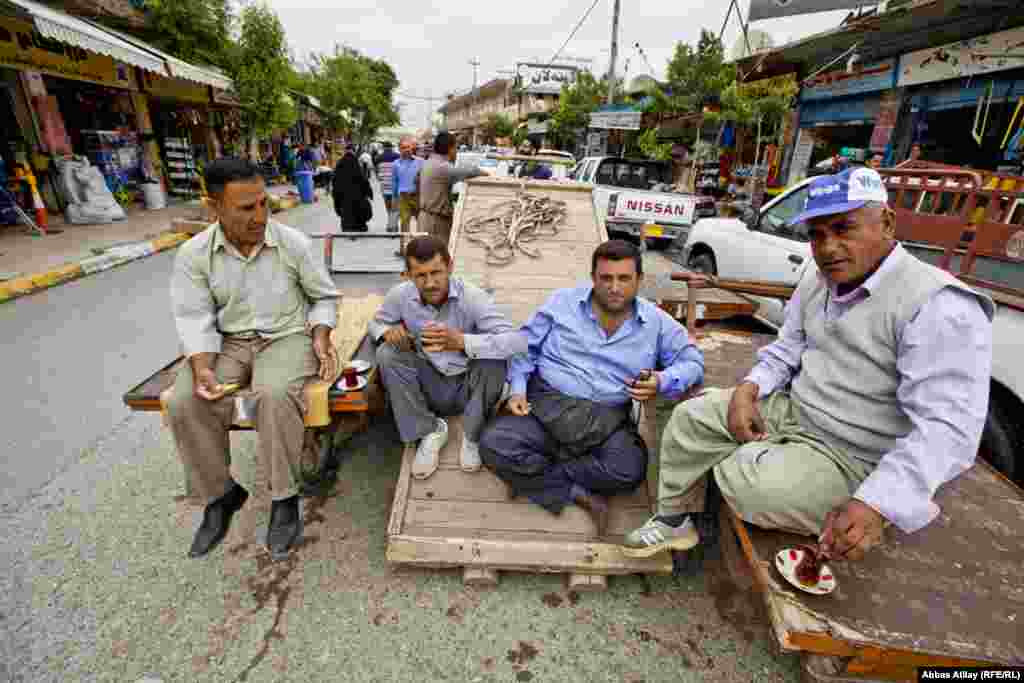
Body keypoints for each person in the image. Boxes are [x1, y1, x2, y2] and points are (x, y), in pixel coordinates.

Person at [622, 167, 993, 561]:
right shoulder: (818, 280)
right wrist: (749, 390)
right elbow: (787, 347)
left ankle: (822, 492)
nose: (828, 247)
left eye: (844, 228)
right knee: (689, 419)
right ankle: (676, 520)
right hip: (796, 411)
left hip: (856, 453)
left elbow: (947, 430)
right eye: (817, 234)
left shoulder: (937, 304)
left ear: (886, 222)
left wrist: (877, 503)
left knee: (748, 481)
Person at [167, 158, 341, 560]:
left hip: (286, 337)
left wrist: (320, 334)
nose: (260, 216)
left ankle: (284, 497)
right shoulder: (194, 254)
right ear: (214, 207)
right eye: (246, 208)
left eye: (264, 203)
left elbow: (324, 298)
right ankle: (221, 495)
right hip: (228, 342)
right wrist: (202, 367)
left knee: (274, 394)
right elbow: (194, 317)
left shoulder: (292, 244)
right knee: (185, 400)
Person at [479, 241, 705, 535]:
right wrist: (518, 390)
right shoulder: (562, 303)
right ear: (593, 278)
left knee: (629, 469)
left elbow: (692, 361)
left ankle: (534, 476)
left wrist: (662, 380)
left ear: (639, 280)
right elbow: (525, 346)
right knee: (494, 444)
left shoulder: (657, 323)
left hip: (605, 419)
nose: (614, 287)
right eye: (606, 278)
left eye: (624, 279)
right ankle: (576, 492)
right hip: (546, 406)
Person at [370, 236, 526, 478]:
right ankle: (430, 430)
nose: (430, 283)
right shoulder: (399, 296)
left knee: (494, 357)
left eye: (436, 273)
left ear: (450, 267)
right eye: (420, 276)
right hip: (429, 387)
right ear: (408, 275)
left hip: (469, 388)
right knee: (387, 353)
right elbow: (376, 323)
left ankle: (472, 434)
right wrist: (387, 332)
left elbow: (516, 341)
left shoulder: (472, 297)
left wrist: (463, 342)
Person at [419, 132, 487, 244]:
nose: (456, 152)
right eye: (456, 148)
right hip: (435, 221)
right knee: (437, 252)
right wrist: (489, 175)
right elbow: (471, 171)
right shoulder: (442, 167)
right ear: (450, 149)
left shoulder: (429, 163)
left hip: (427, 217)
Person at [332, 146, 373, 232]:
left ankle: (348, 227)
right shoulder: (356, 164)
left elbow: (335, 182)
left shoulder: (340, 165)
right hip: (358, 197)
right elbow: (363, 180)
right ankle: (359, 226)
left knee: (346, 212)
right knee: (359, 211)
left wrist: (336, 196)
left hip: (344, 197)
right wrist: (369, 193)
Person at [393, 137, 423, 235]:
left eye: (408, 147)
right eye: (403, 147)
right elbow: (395, 181)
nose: (406, 149)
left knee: (421, 221)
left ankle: (421, 243)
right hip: (403, 196)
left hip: (418, 195)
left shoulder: (421, 161)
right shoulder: (396, 164)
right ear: (399, 149)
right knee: (405, 222)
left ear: (412, 148)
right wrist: (394, 198)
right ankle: (404, 244)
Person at [375, 141, 401, 232]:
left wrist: (381, 178)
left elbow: (377, 173)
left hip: (385, 185)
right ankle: (394, 225)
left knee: (388, 206)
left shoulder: (378, 158)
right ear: (391, 147)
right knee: (395, 206)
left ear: (383, 148)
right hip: (395, 185)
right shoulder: (398, 156)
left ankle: (390, 224)